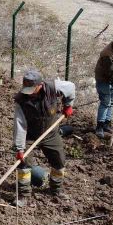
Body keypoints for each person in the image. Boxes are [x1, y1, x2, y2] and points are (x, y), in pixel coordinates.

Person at [13, 69, 76, 205]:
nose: (28, 93)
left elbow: (71, 88)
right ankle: (23, 195)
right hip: (30, 135)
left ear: (40, 85)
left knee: (59, 162)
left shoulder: (53, 87)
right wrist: (20, 148)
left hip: (51, 132)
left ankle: (56, 190)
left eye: (31, 89)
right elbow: (20, 125)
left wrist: (68, 105)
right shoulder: (21, 100)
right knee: (24, 164)